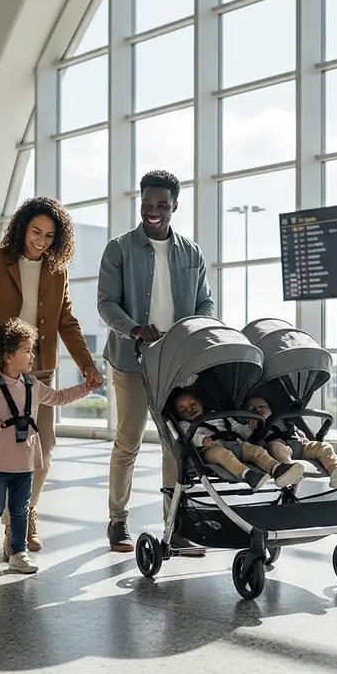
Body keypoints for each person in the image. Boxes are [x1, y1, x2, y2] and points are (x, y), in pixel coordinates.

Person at [0, 197, 103, 558]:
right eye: (35, 232)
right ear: (22, 227)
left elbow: (67, 323)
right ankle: (11, 520)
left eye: (49, 236)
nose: (40, 241)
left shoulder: (57, 270)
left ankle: (22, 517)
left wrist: (87, 364)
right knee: (4, 445)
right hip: (0, 368)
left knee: (45, 444)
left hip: (40, 367)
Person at [97, 169, 214, 555]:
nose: (153, 211)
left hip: (176, 362)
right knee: (128, 441)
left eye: (162, 205)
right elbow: (106, 303)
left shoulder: (191, 253)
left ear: (174, 207)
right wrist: (133, 329)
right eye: (147, 203)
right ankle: (117, 520)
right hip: (132, 361)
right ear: (141, 203)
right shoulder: (119, 249)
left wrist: (197, 332)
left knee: (176, 445)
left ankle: (174, 524)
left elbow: (205, 303)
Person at [0, 318, 91, 573]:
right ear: (9, 355)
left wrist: (85, 388)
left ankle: (19, 553)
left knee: (21, 510)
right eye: (26, 350)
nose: (32, 355)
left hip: (24, 462)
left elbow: (58, 398)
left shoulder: (33, 385)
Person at [170, 389, 305, 491]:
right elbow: (189, 436)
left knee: (256, 450)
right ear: (178, 416)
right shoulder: (184, 424)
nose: (190, 409)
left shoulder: (218, 414)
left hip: (237, 443)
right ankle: (248, 474)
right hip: (210, 449)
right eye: (183, 410)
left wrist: (249, 428)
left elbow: (238, 429)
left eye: (192, 404)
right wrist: (202, 439)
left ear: (200, 402)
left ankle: (277, 468)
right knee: (223, 454)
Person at [244, 396, 337, 489]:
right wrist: (253, 427)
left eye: (261, 406)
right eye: (252, 409)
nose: (258, 410)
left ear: (270, 409)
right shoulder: (256, 426)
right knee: (276, 447)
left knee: (324, 446)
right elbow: (251, 442)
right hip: (282, 449)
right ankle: (289, 470)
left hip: (302, 446)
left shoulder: (285, 419)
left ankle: (336, 472)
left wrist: (301, 434)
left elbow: (296, 429)